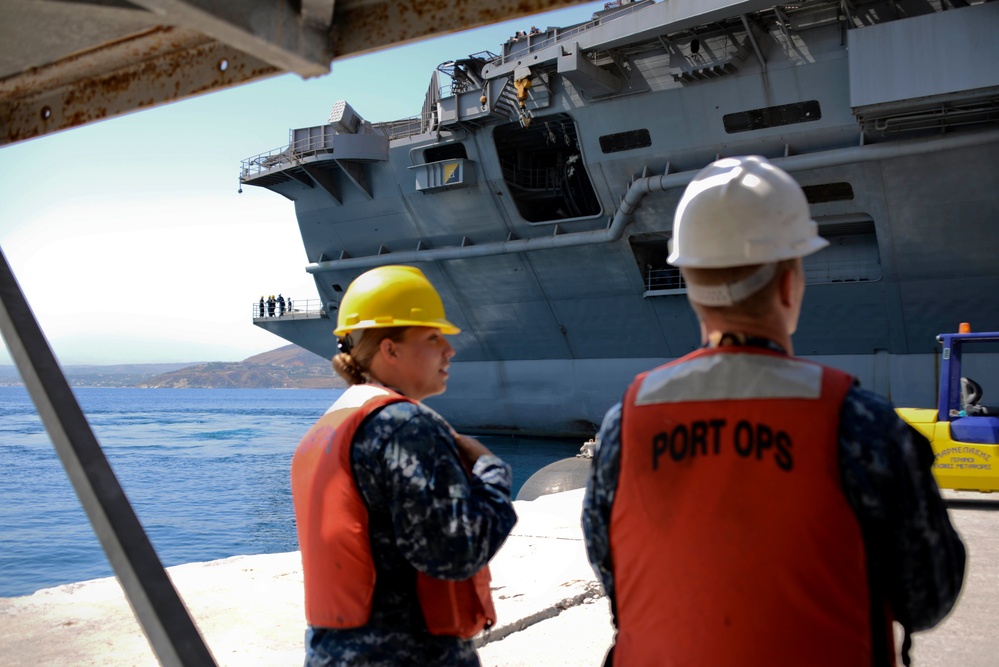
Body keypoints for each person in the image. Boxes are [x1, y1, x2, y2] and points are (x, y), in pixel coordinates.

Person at [582, 156, 965, 666]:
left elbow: (613, 565)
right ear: (789, 284)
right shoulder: (861, 424)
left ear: (691, 288)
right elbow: (928, 594)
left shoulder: (624, 425)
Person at [291, 264, 518, 666]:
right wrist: (491, 473)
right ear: (389, 349)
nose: (449, 349)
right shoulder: (405, 427)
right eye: (432, 337)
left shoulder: (329, 427)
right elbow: (454, 551)